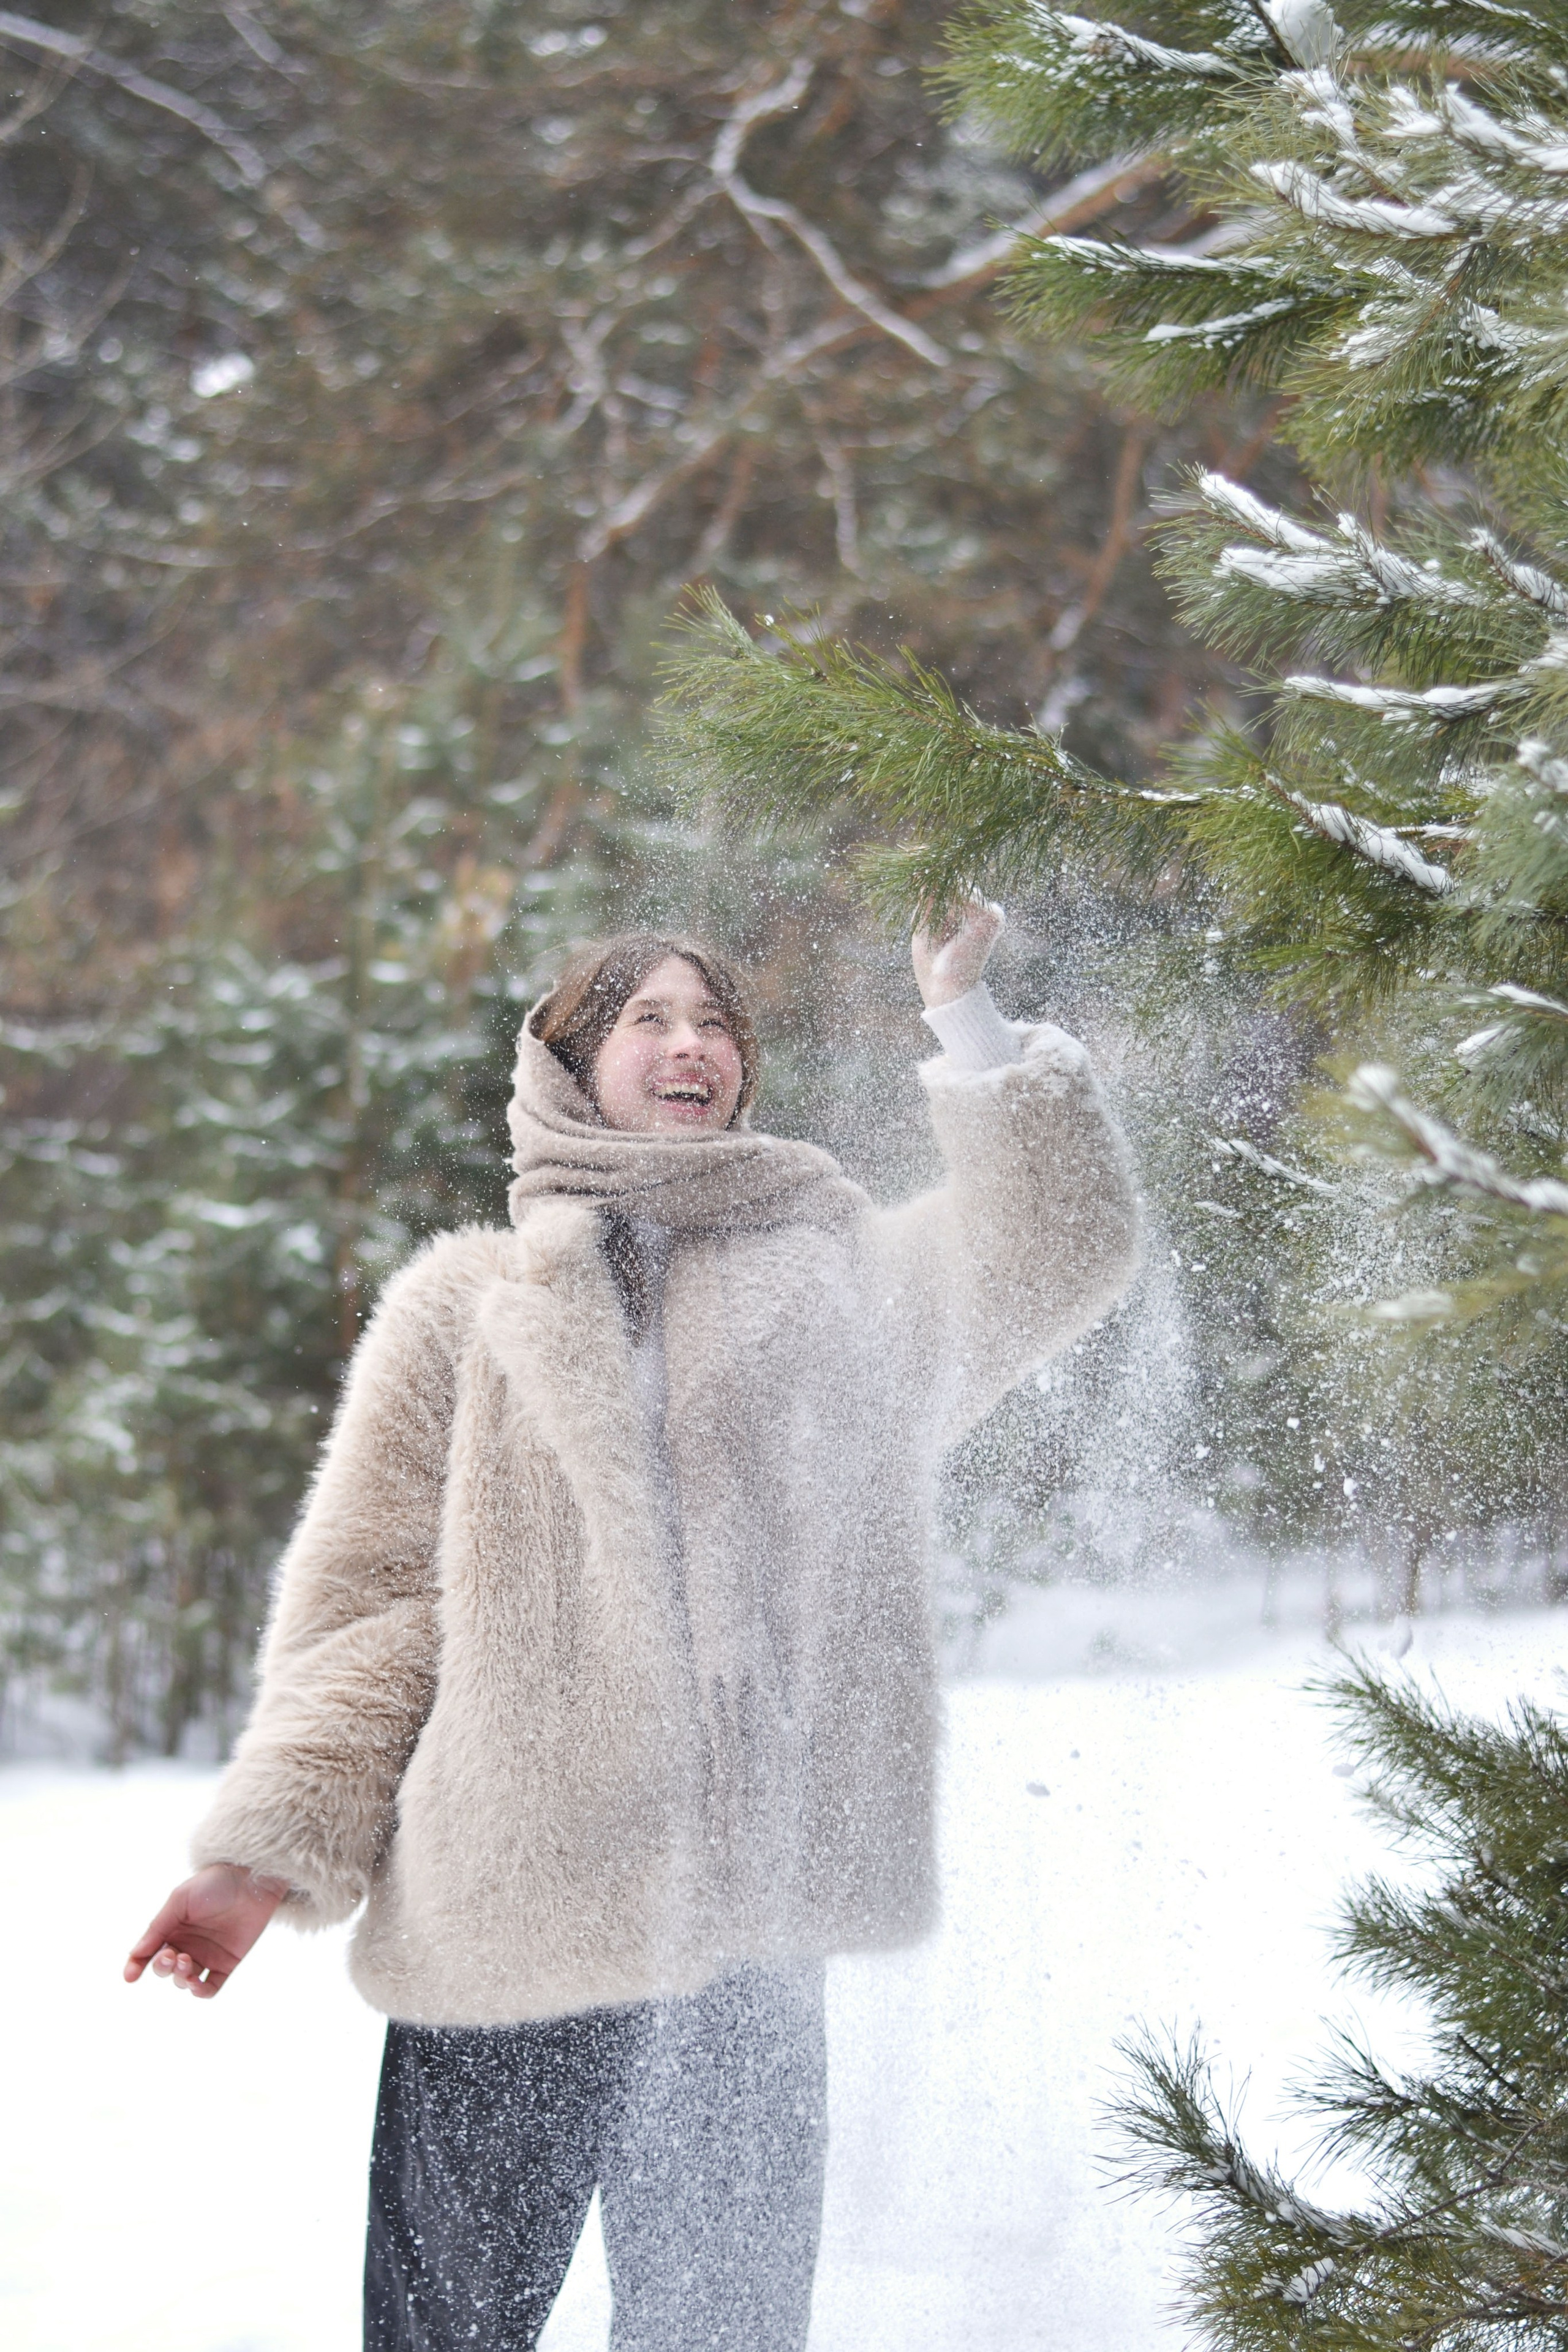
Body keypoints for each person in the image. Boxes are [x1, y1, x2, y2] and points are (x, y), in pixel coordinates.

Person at [126, 899, 1139, 2352]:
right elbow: (373, 1620)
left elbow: (1056, 1251)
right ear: (570, 1065)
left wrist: (963, 1014)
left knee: (723, 2328)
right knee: (451, 2329)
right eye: (649, 1020)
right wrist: (260, 1857)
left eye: (716, 1021)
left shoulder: (840, 1285)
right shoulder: (462, 1309)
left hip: (744, 1918)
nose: (691, 1044)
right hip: (513, 1913)